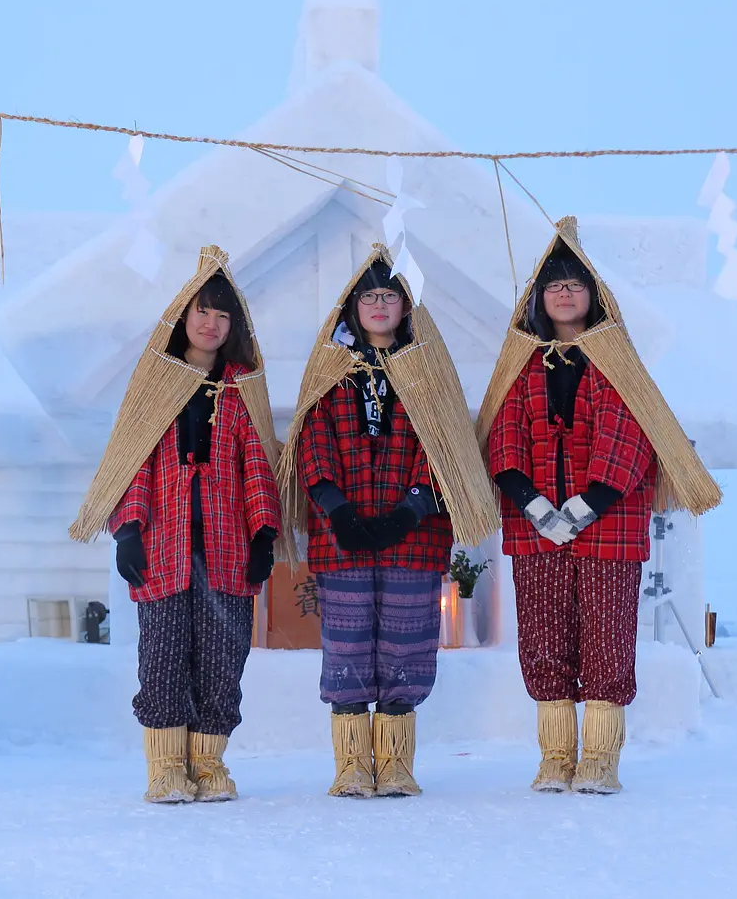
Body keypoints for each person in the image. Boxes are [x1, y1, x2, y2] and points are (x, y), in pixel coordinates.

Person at [477, 217, 720, 795]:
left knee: (608, 636)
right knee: (542, 637)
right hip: (536, 529)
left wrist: (586, 505)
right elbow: (505, 434)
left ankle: (601, 758)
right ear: (538, 298)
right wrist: (535, 505)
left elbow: (627, 433)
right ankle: (555, 755)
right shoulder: (522, 364)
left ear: (593, 295)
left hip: (610, 524)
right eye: (553, 285)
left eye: (575, 284)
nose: (564, 293)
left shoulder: (617, 362)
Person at [280, 244, 497, 799]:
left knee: (407, 644)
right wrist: (336, 508)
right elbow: (313, 438)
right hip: (342, 534)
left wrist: (414, 507)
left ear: (406, 306)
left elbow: (443, 436)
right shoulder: (330, 370)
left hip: (415, 535)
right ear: (352, 309)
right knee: (347, 643)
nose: (379, 304)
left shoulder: (428, 369)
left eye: (389, 295)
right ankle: (352, 765)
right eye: (369, 296)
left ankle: (396, 763)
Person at [69, 246, 282, 804]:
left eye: (222, 315)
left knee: (221, 656)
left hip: (227, 546)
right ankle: (166, 766)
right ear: (182, 318)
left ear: (233, 326)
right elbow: (135, 458)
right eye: (202, 312)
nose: (211, 324)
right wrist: (127, 530)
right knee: (163, 654)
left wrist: (264, 533)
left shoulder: (241, 387)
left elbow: (256, 463)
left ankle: (209, 764)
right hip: (164, 544)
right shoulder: (155, 383)